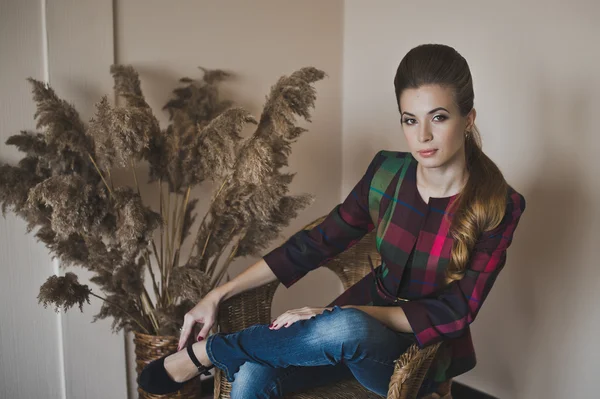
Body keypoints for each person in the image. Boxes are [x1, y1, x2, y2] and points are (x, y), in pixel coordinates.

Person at [139, 43, 526, 398]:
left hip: (417, 354)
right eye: (410, 120)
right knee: (256, 372)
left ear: (468, 118)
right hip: (341, 333)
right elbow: (315, 243)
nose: (422, 135)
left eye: (438, 117)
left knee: (345, 327)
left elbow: (456, 311)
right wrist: (216, 294)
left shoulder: (498, 205)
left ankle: (208, 353)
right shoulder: (386, 173)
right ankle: (224, 352)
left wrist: (345, 315)